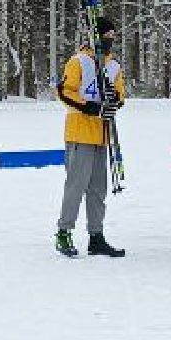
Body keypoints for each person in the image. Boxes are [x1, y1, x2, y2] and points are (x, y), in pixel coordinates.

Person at [54, 16, 128, 258]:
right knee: (76, 185)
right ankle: (64, 232)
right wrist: (89, 107)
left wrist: (114, 102)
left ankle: (96, 236)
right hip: (79, 132)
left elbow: (120, 94)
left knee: (98, 189)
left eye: (113, 36)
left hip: (102, 134)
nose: (110, 40)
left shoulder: (113, 64)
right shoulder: (79, 61)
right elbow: (64, 92)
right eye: (106, 36)